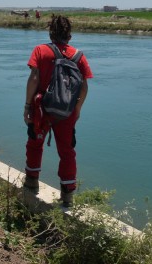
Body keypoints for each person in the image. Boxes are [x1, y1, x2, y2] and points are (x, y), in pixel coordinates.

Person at [23, 14, 93, 207]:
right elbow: (84, 87)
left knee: (34, 144)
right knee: (67, 152)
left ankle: (31, 183)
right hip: (67, 112)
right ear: (69, 35)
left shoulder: (40, 50)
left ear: (50, 33)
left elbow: (34, 78)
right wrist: (76, 109)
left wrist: (27, 106)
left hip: (41, 110)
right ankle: (67, 196)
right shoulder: (79, 56)